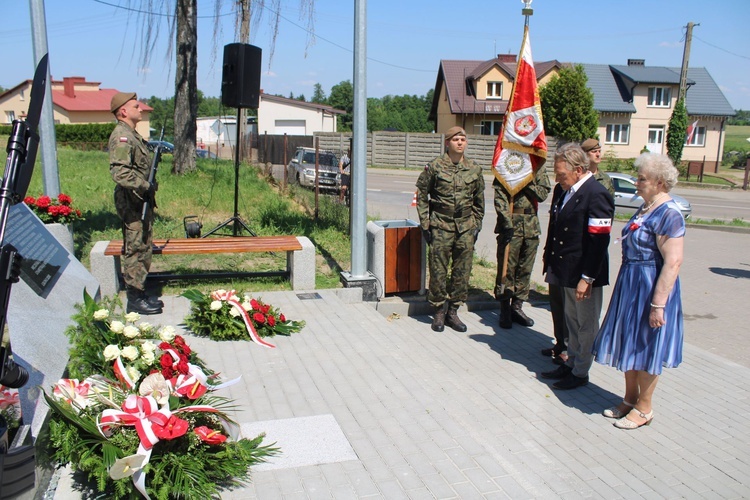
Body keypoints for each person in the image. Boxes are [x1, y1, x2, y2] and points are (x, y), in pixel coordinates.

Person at [593, 153, 685, 429]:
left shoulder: (669, 213)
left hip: (650, 288)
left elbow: (673, 261)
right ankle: (630, 399)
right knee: (630, 343)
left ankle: (645, 408)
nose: (636, 182)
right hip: (631, 285)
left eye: (642, 179)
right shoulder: (646, 207)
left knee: (647, 347)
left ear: (659, 182)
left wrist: (658, 304)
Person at [540, 143, 614, 390]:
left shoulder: (597, 193)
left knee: (586, 325)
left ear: (579, 169)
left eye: (561, 174)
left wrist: (588, 277)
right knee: (571, 322)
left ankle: (581, 372)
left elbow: (598, 241)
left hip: (584, 274)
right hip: (567, 271)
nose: (558, 179)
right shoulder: (565, 191)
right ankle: (571, 363)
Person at [416, 127, 485, 333]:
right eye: (455, 139)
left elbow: (479, 200)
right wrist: (425, 223)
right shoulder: (435, 167)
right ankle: (438, 311)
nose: (460, 142)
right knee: (438, 270)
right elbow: (421, 194)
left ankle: (453, 311)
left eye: (463, 139)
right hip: (441, 225)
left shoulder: (474, 168)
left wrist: (477, 223)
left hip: (465, 227)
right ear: (447, 142)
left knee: (462, 271)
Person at [108, 92, 162, 315]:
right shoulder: (122, 136)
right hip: (132, 200)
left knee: (143, 245)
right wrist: (144, 185)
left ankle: (139, 291)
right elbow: (120, 173)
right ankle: (134, 298)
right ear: (123, 111)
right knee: (135, 247)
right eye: (135, 106)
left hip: (140, 200)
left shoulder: (132, 135)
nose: (140, 110)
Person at [493, 164, 550, 328]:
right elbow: (500, 199)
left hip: (531, 226)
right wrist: (507, 223)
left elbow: (542, 195)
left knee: (525, 269)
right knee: (507, 269)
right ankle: (504, 308)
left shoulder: (537, 168)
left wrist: (526, 181)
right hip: (511, 224)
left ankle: (517, 307)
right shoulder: (506, 165)